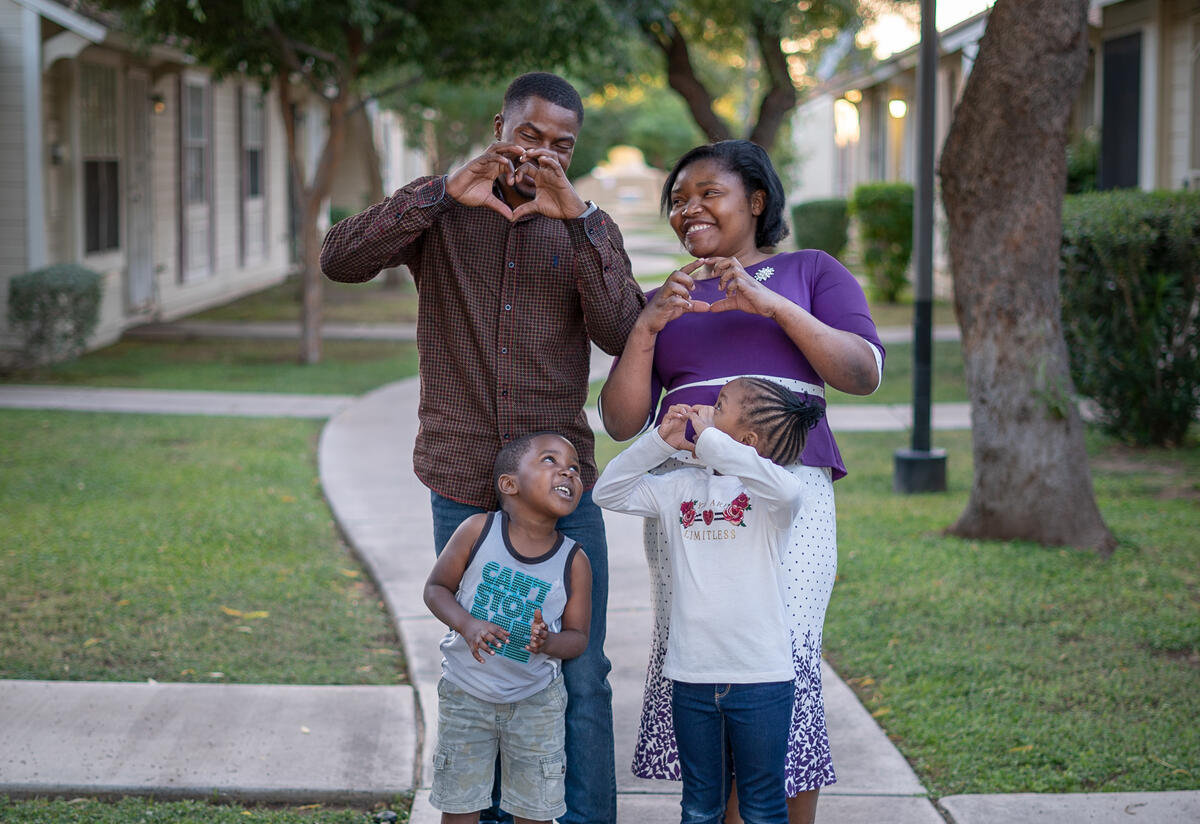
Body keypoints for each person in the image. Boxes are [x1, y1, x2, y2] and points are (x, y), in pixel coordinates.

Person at [322, 72, 643, 824]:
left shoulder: (584, 227)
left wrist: (582, 222)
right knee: (487, 662)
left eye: (563, 144)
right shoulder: (440, 212)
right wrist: (439, 192)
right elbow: (340, 258)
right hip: (464, 482)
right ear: (502, 124)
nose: (544, 154)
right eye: (531, 136)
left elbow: (626, 333)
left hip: (562, 494)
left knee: (581, 670)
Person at [598, 139, 884, 824]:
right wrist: (646, 327)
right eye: (678, 199)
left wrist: (769, 304)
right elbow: (619, 420)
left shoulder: (810, 271)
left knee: (784, 652)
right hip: (687, 496)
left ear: (755, 201)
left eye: (707, 193)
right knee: (703, 651)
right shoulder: (666, 296)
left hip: (785, 487)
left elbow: (862, 372)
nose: (688, 208)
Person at [593, 377, 825, 824]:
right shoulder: (679, 487)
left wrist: (712, 441)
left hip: (761, 677)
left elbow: (789, 490)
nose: (700, 407)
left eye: (717, 406)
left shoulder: (770, 494)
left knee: (762, 806)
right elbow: (608, 492)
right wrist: (659, 443)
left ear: (744, 440)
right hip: (692, 675)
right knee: (700, 806)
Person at [424, 432, 593, 824]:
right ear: (509, 484)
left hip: (536, 703)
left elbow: (578, 639)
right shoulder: (477, 531)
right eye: (550, 460)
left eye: (575, 467)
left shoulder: (574, 561)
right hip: (465, 694)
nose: (568, 470)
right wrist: (467, 624)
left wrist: (549, 642)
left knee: (534, 808)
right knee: (461, 802)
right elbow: (436, 589)